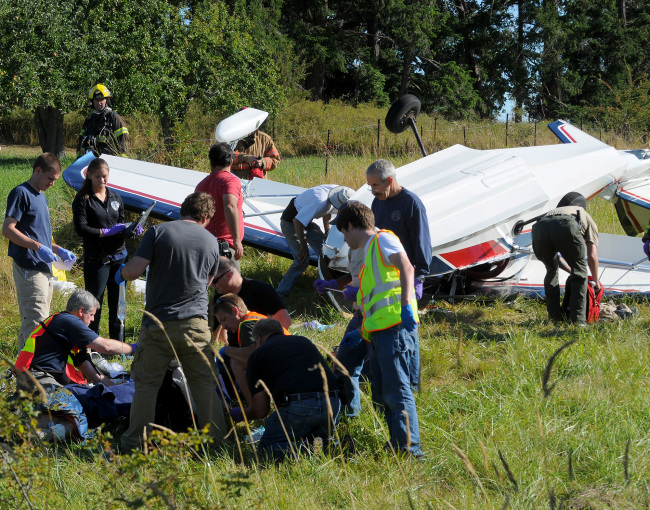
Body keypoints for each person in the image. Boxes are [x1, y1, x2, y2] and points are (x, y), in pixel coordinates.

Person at [116, 192, 228, 453]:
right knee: (203, 385)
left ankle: (134, 445)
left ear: (182, 209)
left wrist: (119, 272)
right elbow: (207, 283)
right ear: (206, 217)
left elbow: (133, 271)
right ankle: (217, 445)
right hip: (196, 326)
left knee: (147, 386)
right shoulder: (212, 242)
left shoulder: (158, 232)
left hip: (158, 325)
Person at [336, 200, 423, 457]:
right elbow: (371, 302)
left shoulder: (383, 240)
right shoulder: (368, 260)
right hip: (378, 333)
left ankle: (410, 450)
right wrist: (361, 331)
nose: (344, 238)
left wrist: (406, 304)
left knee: (397, 393)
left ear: (351, 225)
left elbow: (406, 267)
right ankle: (397, 444)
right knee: (384, 394)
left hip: (395, 329)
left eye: (343, 231)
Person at [233, 319, 341, 459]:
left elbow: (261, 410)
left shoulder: (257, 355)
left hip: (298, 407)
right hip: (332, 402)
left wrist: (243, 414)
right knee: (318, 439)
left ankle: (304, 449)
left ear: (258, 339)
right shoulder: (304, 341)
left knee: (266, 449)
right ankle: (332, 446)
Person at [2, 153, 77, 352]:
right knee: (36, 323)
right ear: (37, 170)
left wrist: (59, 250)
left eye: (55, 180)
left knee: (37, 321)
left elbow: (39, 235)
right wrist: (37, 247)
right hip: (29, 269)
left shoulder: (40, 196)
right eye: (50, 178)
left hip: (44, 268)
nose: (52, 183)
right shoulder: (21, 193)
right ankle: (30, 375)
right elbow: (8, 229)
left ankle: (23, 368)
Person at [72, 158, 142, 340]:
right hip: (97, 259)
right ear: (89, 176)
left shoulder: (115, 197)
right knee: (93, 303)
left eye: (104, 176)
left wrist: (131, 230)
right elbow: (81, 228)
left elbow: (120, 224)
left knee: (118, 303)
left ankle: (117, 344)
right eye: (97, 177)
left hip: (119, 257)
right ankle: (91, 344)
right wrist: (105, 232)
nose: (102, 180)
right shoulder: (83, 199)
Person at [14, 288, 136, 391]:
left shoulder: (65, 327)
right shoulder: (68, 321)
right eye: (92, 315)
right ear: (81, 311)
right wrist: (134, 348)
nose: (93, 319)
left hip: (35, 379)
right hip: (38, 380)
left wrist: (114, 390)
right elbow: (105, 346)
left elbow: (89, 370)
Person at [366, 159, 432, 301]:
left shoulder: (410, 203)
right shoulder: (377, 202)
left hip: (405, 271)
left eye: (375, 185)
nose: (372, 191)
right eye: (370, 186)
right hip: (385, 271)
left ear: (389, 180)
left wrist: (419, 276)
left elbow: (421, 240)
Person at [532, 192, 601, 325]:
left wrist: (570, 269)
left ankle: (555, 318)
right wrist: (596, 280)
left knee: (551, 271)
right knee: (581, 274)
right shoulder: (583, 214)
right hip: (567, 225)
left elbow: (554, 258)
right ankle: (578, 321)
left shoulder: (553, 211)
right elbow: (592, 255)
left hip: (539, 228)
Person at [276, 185, 354, 298]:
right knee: (302, 260)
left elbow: (327, 212)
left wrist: (327, 234)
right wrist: (304, 247)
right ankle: (280, 293)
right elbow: (297, 221)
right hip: (291, 222)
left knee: (325, 251)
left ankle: (326, 288)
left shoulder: (341, 192)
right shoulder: (319, 201)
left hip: (306, 220)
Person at [213, 294, 288, 406]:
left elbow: (253, 355)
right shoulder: (256, 317)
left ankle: (254, 406)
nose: (224, 326)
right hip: (290, 363)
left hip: (284, 370)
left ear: (235, 311)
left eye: (224, 320)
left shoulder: (246, 325)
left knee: (232, 359)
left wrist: (227, 350)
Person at [211, 257, 291, 337]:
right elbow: (209, 328)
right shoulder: (219, 299)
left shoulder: (260, 289)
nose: (212, 285)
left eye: (214, 281)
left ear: (228, 275)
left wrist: (264, 343)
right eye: (209, 281)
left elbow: (284, 320)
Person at [195, 142, 244, 267]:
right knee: (231, 286)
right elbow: (230, 206)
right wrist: (237, 241)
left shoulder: (201, 185)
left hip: (205, 245)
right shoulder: (230, 181)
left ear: (211, 162)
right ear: (230, 161)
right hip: (225, 248)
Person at [77, 84, 130, 157]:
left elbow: (123, 141)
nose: (99, 103)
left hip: (109, 162)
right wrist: (79, 158)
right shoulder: (89, 120)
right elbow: (81, 141)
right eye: (96, 100)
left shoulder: (114, 118)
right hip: (91, 162)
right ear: (92, 102)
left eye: (102, 99)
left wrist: (121, 161)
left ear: (107, 100)